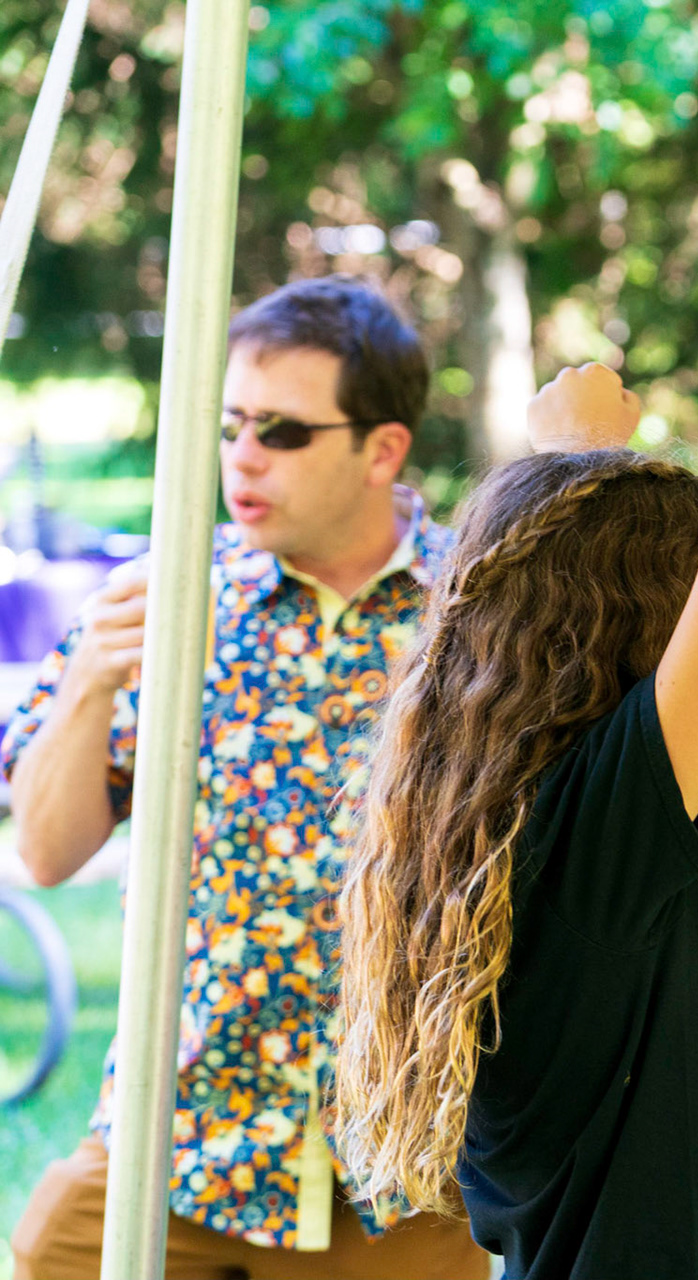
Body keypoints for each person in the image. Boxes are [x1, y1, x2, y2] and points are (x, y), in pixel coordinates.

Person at [333, 50, 698, 1280]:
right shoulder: (588, 852)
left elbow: (528, 569)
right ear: (646, 634)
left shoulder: (500, 840)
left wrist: (573, 471)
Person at [4, 277, 488, 1278]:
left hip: (397, 1169)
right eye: (230, 425)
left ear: (383, 450)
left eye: (283, 430)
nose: (243, 455)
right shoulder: (168, 595)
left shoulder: (479, 618)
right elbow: (44, 855)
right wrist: (90, 678)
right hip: (175, 1141)